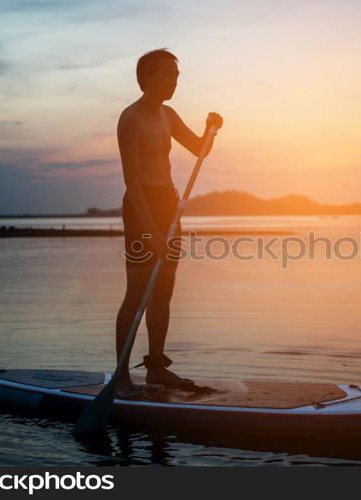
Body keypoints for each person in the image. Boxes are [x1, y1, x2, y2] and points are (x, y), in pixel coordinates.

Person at [115, 48, 223, 395]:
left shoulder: (168, 115)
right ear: (147, 77)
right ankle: (120, 376)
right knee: (137, 293)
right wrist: (150, 232)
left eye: (177, 75)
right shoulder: (130, 119)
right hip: (140, 206)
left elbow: (199, 151)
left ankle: (157, 369)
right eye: (167, 74)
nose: (174, 81)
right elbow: (131, 182)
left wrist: (211, 131)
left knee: (163, 292)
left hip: (169, 205)